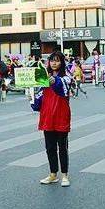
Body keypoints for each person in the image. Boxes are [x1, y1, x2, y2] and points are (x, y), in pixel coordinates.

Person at [36, 51, 72, 187]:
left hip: (61, 115)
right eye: (52, 61)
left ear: (62, 62)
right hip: (47, 116)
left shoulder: (66, 76)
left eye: (57, 60)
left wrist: (54, 81)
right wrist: (33, 100)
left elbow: (62, 86)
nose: (54, 63)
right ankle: (53, 174)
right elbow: (40, 95)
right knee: (50, 148)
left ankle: (64, 175)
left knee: (62, 147)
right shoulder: (44, 77)